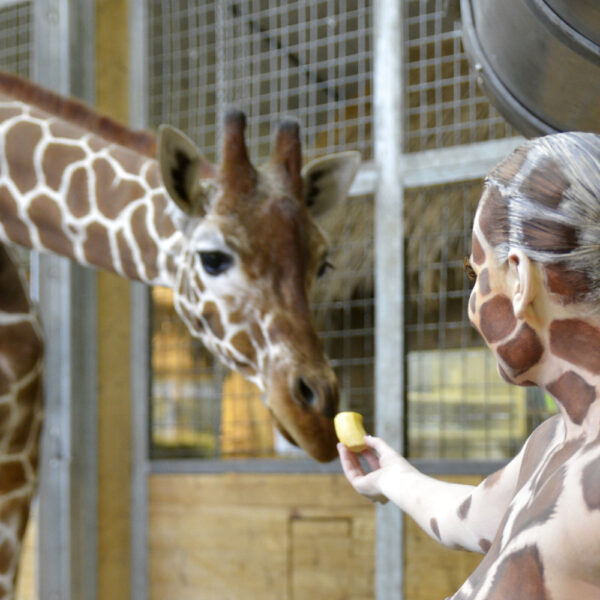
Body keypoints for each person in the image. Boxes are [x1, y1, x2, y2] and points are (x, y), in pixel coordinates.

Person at [338, 132, 600, 599]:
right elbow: (469, 517)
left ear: (519, 279)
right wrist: (390, 477)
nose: (471, 304)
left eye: (476, 275)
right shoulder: (553, 442)